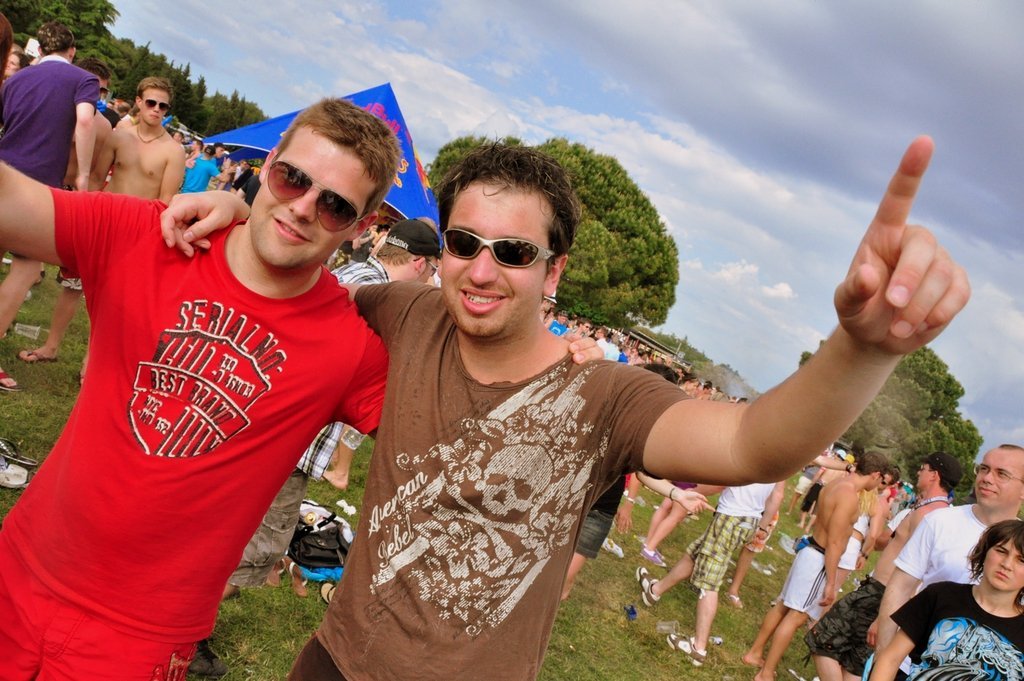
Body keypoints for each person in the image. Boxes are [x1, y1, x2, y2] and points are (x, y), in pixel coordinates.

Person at [168, 135, 968, 680]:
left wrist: (860, 350)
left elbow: (751, 444)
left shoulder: (605, 395)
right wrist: (249, 215)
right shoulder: (404, 313)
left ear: (553, 270)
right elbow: (292, 291)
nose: (481, 270)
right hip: (333, 659)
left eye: (513, 252)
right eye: (463, 243)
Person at [0, 97, 401, 677]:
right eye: (293, 178)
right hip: (19, 567)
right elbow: (13, 203)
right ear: (268, 165)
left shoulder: (349, 348)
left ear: (362, 227)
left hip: (143, 636)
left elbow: (458, 434)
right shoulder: (150, 234)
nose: (303, 208)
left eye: (335, 205)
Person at [0, 20, 98, 392]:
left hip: (3, 170)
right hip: (36, 189)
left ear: (39, 49)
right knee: (25, 270)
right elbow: (85, 121)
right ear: (72, 51)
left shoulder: (16, 79)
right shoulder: (82, 79)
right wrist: (83, 176)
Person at [805, 451, 963, 681]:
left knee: (821, 638)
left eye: (923, 468)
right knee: (855, 663)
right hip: (882, 594)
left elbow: (919, 573)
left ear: (934, 475)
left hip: (882, 595)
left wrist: (886, 617)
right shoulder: (933, 511)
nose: (919, 472)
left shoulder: (929, 515)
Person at [743, 451, 891, 681]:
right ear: (875, 474)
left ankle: (755, 652)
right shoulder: (849, 496)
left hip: (810, 551)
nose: (879, 486)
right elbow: (834, 542)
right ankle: (766, 672)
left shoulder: (837, 484)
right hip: (819, 558)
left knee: (783, 605)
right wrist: (831, 582)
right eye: (881, 480)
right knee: (797, 616)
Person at [873, 446, 1024, 661]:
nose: (987, 478)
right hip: (913, 663)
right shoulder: (939, 521)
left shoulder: (1021, 545)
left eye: (1001, 474)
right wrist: (884, 656)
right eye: (983, 469)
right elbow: (900, 588)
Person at [638, 479, 786, 666]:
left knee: (709, 581)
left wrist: (685, 492)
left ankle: (698, 648)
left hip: (731, 516)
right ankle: (655, 591)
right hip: (749, 519)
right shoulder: (780, 463)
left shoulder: (754, 458)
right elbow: (777, 495)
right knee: (695, 554)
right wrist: (762, 526)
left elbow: (721, 483)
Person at [868, 519, 1024, 680]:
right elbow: (890, 659)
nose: (1007, 564)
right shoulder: (940, 595)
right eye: (1001, 551)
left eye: (1021, 560)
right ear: (985, 551)